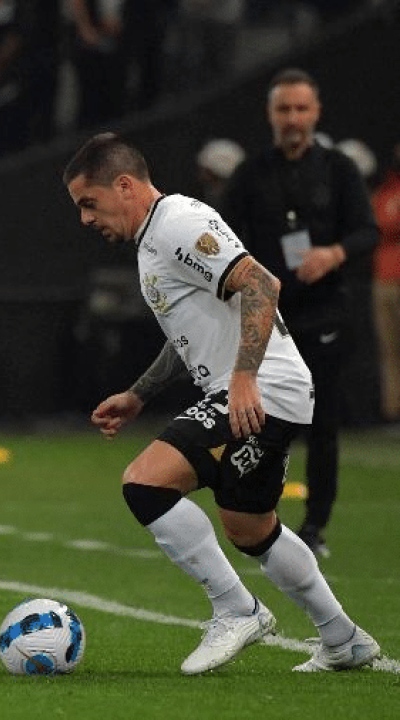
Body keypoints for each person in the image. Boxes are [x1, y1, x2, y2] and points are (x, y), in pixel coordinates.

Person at [64, 132, 380, 674]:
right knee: (251, 528)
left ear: (123, 185)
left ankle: (237, 609)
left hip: (264, 388)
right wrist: (139, 393)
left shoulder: (178, 223)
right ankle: (344, 639)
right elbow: (185, 330)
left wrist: (243, 378)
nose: (85, 219)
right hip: (263, 389)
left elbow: (260, 284)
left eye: (88, 203)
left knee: (145, 482)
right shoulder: (154, 240)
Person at [218, 68, 379, 557]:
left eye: (301, 109)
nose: (292, 118)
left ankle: (315, 528)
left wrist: (333, 254)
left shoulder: (338, 169)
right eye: (283, 109)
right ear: (270, 114)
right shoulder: (250, 173)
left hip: (325, 312)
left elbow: (366, 231)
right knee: (258, 422)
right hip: (268, 319)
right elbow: (225, 235)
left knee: (323, 425)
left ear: (316, 112)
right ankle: (259, 522)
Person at [371, 142, 400, 424]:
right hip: (384, 279)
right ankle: (393, 414)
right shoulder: (387, 190)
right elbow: (375, 223)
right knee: (389, 351)